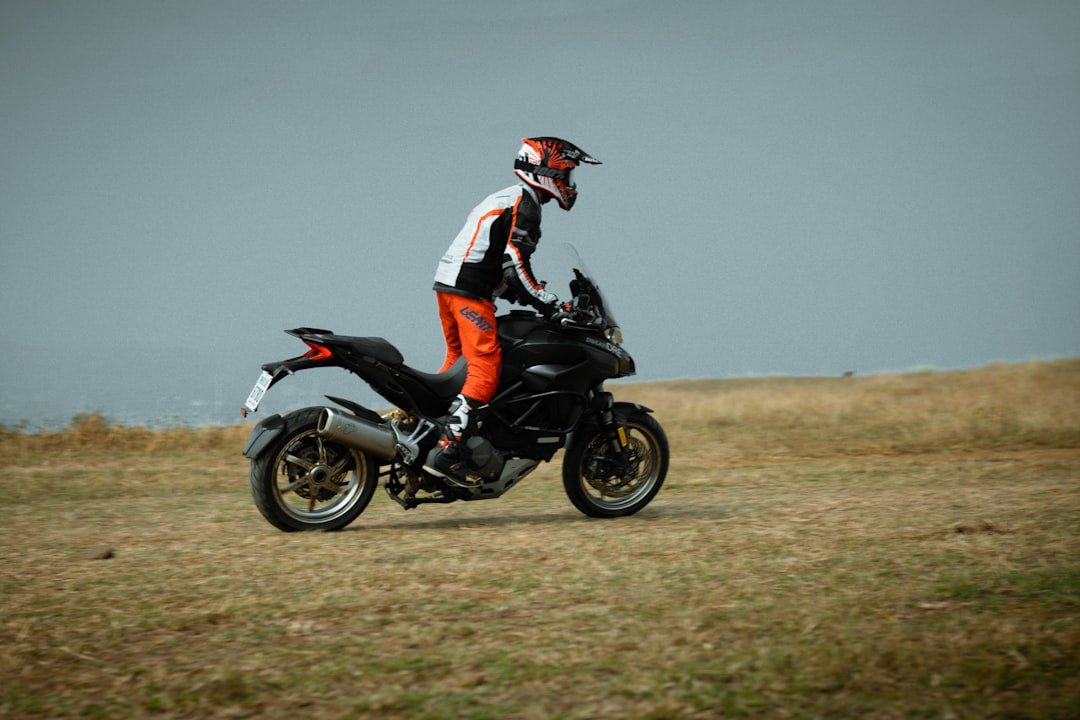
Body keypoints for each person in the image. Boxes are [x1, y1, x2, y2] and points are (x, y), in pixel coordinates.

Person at [432, 136, 601, 461]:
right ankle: (450, 446)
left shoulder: (504, 197)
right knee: (485, 365)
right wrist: (549, 303)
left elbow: (493, 258)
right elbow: (515, 264)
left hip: (448, 287)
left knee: (457, 366)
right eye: (566, 175)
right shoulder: (526, 205)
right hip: (469, 293)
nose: (569, 184)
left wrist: (525, 292)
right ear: (547, 172)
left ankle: (425, 423)